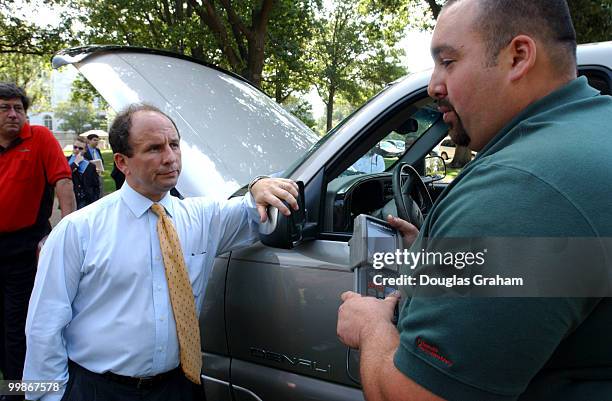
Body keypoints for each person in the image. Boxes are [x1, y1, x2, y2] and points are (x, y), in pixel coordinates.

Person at [337, 1, 612, 400]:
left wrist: (371, 328)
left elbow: (414, 395)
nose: (434, 85)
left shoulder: (520, 187)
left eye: (447, 61)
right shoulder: (593, 126)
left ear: (518, 56)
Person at [23, 103, 300, 401]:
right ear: (122, 162)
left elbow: (256, 207)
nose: (170, 158)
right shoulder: (78, 230)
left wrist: (259, 184)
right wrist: (48, 396)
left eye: (174, 145)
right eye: (154, 148)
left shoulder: (205, 218)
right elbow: (44, 324)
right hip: (99, 390)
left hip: (180, 387)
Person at [0, 83, 75, 399]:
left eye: (19, 108)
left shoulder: (40, 138)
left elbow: (63, 182)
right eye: (5, 108)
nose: (14, 114)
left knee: (18, 326)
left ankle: (18, 390)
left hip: (25, 246)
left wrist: (64, 235)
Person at [67, 137, 100, 209]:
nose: (77, 150)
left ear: (85, 150)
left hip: (85, 201)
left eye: (80, 148)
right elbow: (65, 175)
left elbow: (96, 186)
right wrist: (75, 163)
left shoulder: (90, 166)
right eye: (75, 147)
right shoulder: (65, 161)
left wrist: (94, 202)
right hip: (69, 199)